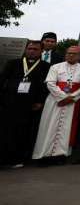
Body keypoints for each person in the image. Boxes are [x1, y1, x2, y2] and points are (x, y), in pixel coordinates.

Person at [32, 46, 80, 163]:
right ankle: (44, 155)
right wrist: (63, 97)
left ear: (79, 56)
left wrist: (72, 98)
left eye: (74, 54)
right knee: (49, 126)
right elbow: (50, 84)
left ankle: (61, 155)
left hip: (72, 103)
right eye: (69, 53)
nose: (71, 55)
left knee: (66, 128)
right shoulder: (55, 67)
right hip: (55, 101)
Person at [0, 40, 50, 168]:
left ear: (41, 51)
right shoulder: (13, 63)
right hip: (9, 102)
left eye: (35, 49)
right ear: (26, 49)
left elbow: (46, 86)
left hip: (30, 105)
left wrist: (40, 101)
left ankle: (18, 158)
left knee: (24, 132)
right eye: (30, 48)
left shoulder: (46, 66)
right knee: (6, 131)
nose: (32, 51)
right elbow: (3, 80)